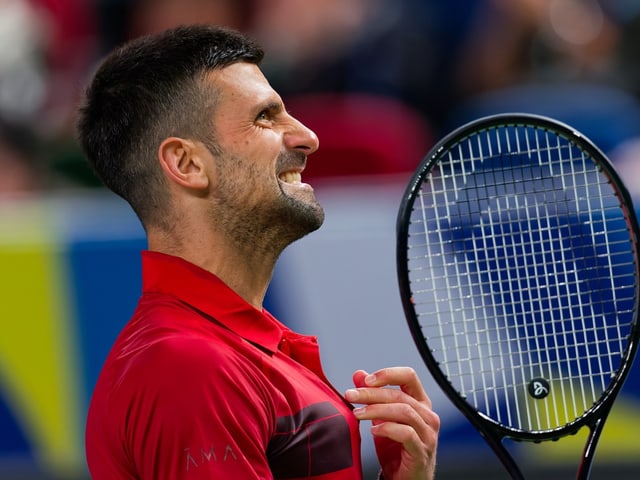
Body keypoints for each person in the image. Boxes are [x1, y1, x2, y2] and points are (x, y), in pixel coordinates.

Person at [77, 24, 439, 480]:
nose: (308, 137)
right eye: (266, 117)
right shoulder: (190, 367)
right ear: (187, 164)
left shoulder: (232, 352)